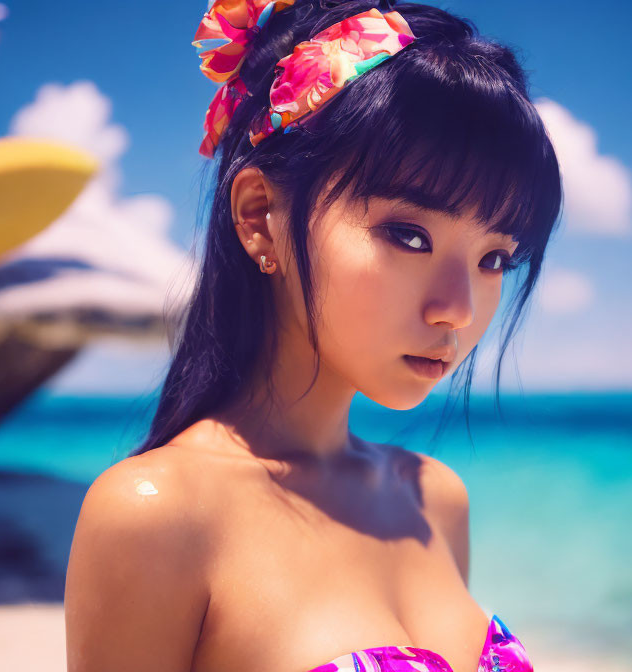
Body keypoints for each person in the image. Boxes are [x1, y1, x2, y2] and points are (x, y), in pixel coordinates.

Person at [64, 1, 561, 670]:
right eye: (408, 235)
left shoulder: (435, 498)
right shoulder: (156, 517)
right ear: (260, 217)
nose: (458, 309)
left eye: (494, 257)